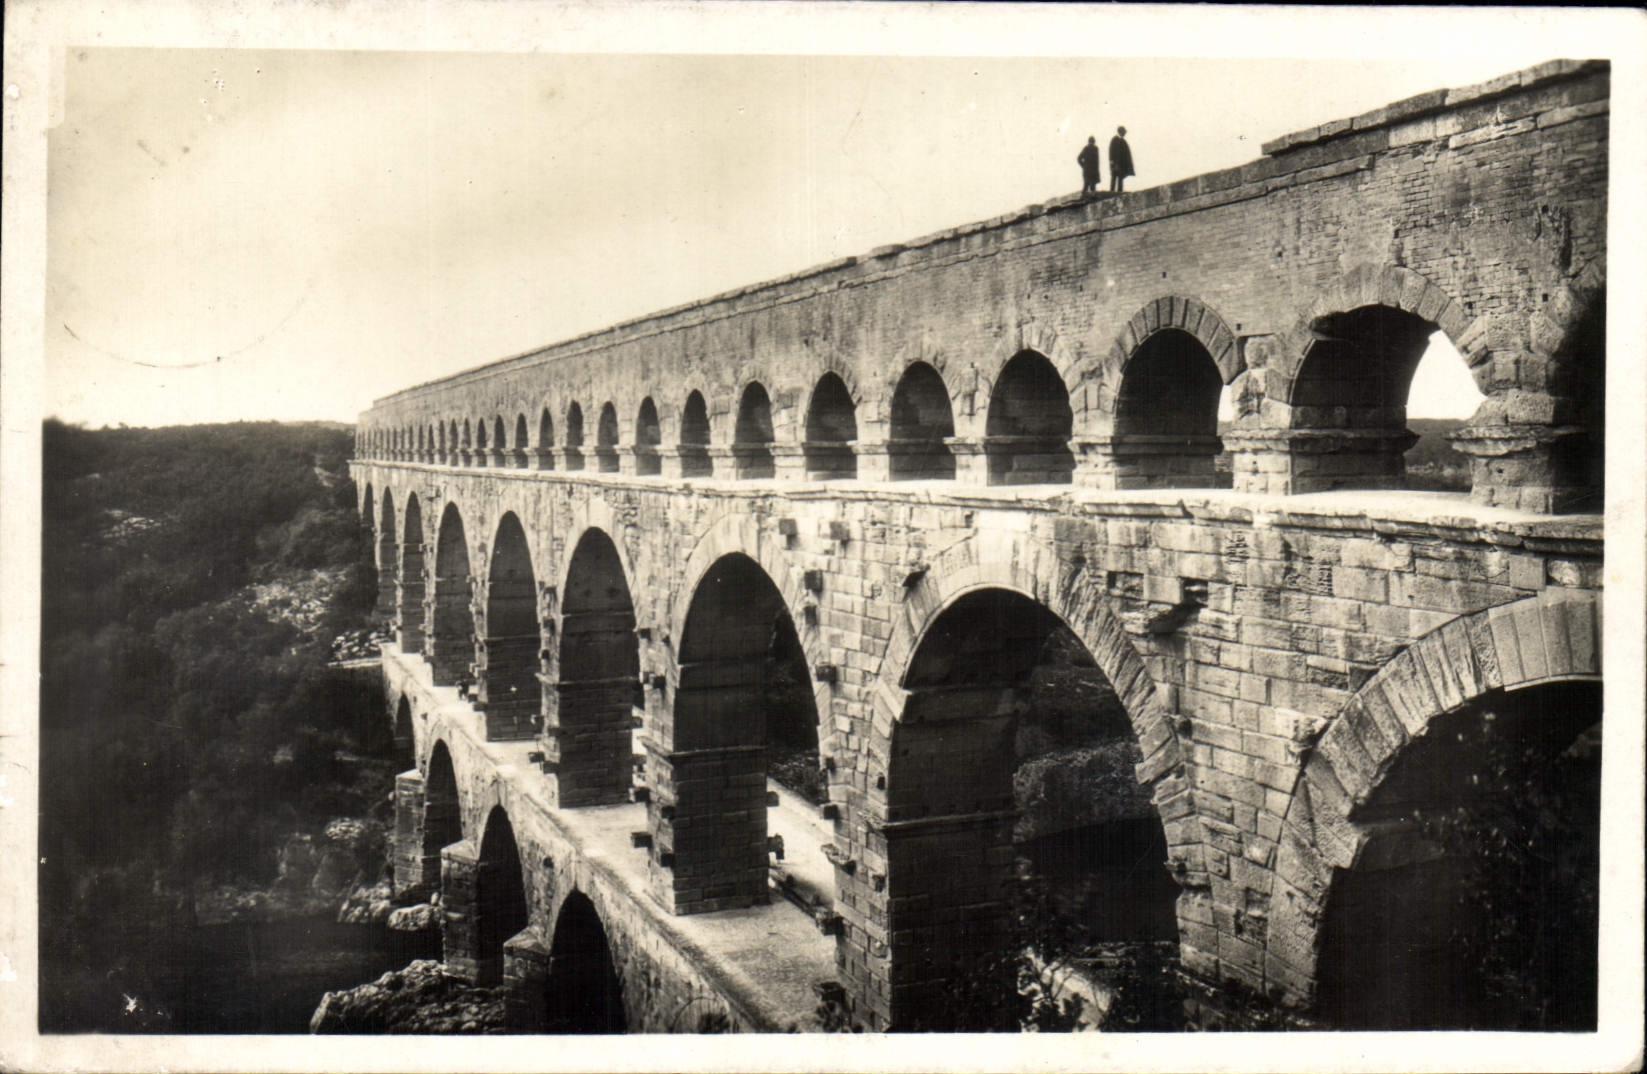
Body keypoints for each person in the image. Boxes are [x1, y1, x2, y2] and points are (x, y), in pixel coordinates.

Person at [1109, 126, 1134, 194]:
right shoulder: (1114, 139)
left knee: (1120, 177)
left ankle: (1119, 191)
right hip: (1115, 163)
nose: (1124, 134)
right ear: (1120, 132)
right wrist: (1112, 161)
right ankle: (1112, 191)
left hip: (1121, 164)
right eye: (1123, 132)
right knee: (1114, 177)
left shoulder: (1123, 141)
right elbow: (1111, 151)